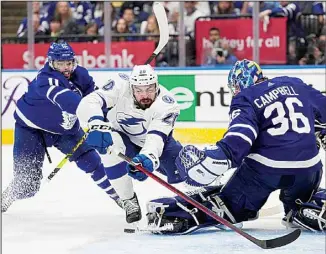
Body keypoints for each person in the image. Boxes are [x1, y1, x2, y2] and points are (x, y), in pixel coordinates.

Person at [144, 59, 326, 234]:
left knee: (229, 206)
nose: (235, 91)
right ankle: (305, 208)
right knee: (301, 201)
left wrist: (216, 157)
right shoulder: (295, 84)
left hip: (266, 171)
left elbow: (240, 138)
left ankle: (179, 217)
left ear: (243, 81)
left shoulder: (246, 97)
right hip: (309, 170)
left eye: (236, 86)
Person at [2, 41, 122, 213]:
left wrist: (108, 105)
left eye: (69, 63)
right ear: (51, 63)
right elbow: (70, 102)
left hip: (65, 130)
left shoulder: (81, 75)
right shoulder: (46, 80)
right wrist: (94, 114)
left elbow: (94, 99)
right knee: (28, 185)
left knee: (92, 161)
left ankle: (119, 197)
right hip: (30, 129)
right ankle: (9, 195)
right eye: (60, 64)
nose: (66, 68)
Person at [76, 64, 185, 224]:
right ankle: (128, 200)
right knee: (109, 150)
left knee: (182, 167)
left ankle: (204, 193)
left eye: (149, 89)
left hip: (154, 143)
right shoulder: (120, 85)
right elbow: (88, 102)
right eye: (139, 90)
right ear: (131, 87)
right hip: (122, 136)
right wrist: (96, 123)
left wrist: (148, 158)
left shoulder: (168, 105)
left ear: (157, 85)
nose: (145, 95)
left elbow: (156, 137)